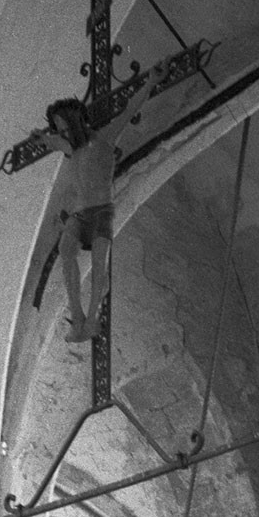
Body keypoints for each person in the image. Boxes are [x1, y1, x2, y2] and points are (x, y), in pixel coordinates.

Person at [41, 60, 168, 340]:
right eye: (59, 130)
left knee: (100, 265)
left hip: (101, 212)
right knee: (66, 250)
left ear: (78, 121)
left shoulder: (105, 138)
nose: (63, 134)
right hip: (79, 213)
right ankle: (77, 316)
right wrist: (41, 138)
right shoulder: (70, 147)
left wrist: (150, 82)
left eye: (65, 128)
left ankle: (92, 318)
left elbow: (130, 108)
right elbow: (50, 142)